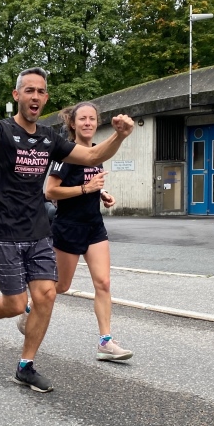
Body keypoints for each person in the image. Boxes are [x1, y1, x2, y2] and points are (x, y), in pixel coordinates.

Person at [0, 67, 134, 393]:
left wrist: (119, 136)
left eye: (40, 91)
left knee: (47, 294)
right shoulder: (1, 130)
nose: (35, 96)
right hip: (3, 231)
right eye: (29, 90)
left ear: (46, 97)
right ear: (17, 95)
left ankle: (26, 366)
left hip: (38, 230)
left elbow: (92, 155)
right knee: (15, 304)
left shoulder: (49, 138)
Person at [42, 102, 133, 362]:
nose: (88, 123)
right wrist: (86, 189)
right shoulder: (66, 153)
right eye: (82, 119)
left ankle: (106, 342)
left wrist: (102, 193)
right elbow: (50, 191)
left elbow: (92, 182)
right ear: (72, 123)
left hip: (94, 226)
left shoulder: (96, 152)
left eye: (92, 119)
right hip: (68, 227)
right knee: (61, 286)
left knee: (103, 283)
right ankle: (31, 305)